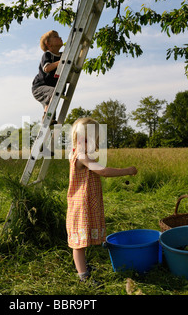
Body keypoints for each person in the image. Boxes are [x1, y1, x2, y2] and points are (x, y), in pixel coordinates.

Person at [66, 117, 138, 283]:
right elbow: (104, 172)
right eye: (83, 138)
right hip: (80, 205)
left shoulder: (79, 153)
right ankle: (83, 276)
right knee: (79, 244)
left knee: (83, 239)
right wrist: (127, 170)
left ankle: (83, 267)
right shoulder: (81, 156)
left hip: (85, 203)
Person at [32, 30, 63, 123]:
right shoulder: (47, 54)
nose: (60, 37)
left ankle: (49, 119)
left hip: (49, 87)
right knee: (54, 93)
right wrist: (60, 62)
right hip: (39, 87)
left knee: (52, 104)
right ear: (48, 44)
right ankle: (46, 116)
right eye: (55, 36)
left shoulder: (62, 55)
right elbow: (47, 68)